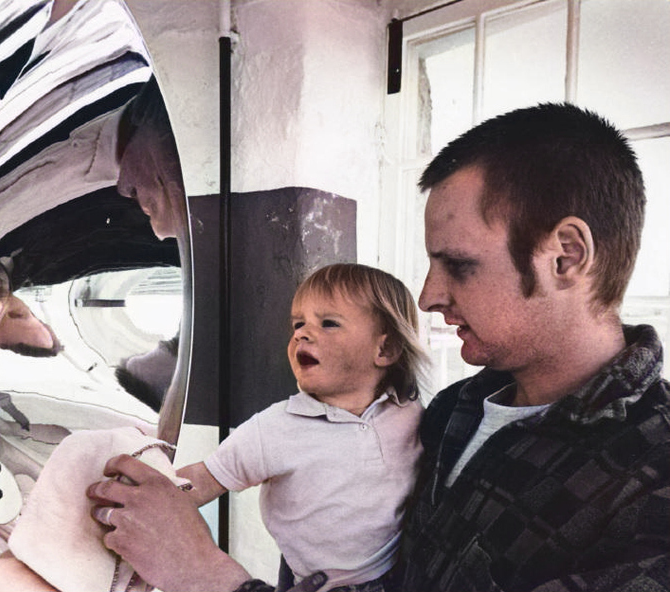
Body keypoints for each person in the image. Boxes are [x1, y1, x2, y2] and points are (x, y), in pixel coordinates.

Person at [80, 103, 669, 592]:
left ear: (566, 255)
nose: (429, 295)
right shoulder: (452, 410)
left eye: (458, 265)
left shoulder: (653, 482)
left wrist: (206, 575)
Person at [176, 263, 426, 591]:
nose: (301, 334)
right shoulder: (274, 429)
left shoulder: (409, 413)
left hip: (402, 577)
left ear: (385, 349)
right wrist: (146, 493)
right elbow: (201, 480)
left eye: (329, 323)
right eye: (298, 323)